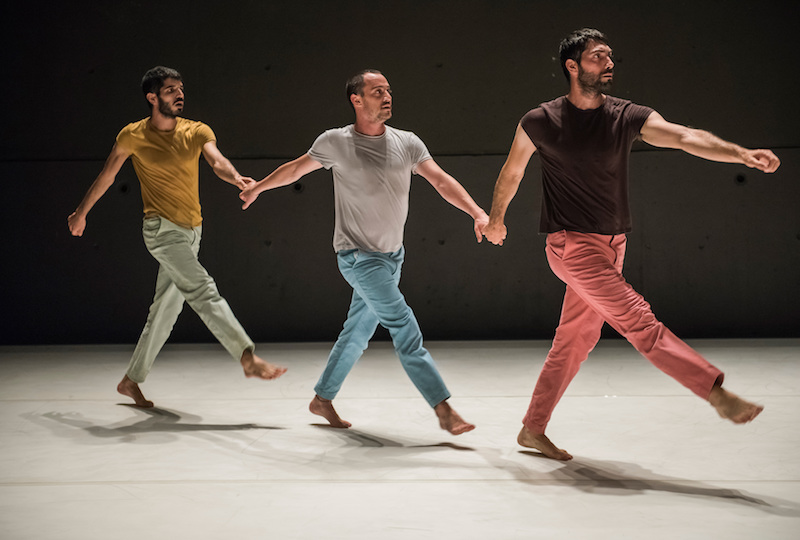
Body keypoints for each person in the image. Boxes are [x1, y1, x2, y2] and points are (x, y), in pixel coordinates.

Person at [484, 29, 779, 460]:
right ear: (572, 66)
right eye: (598, 56)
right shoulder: (540, 120)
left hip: (611, 246)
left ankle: (532, 430)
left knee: (575, 340)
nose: (609, 63)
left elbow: (684, 136)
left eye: (610, 56)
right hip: (572, 247)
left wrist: (740, 153)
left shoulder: (627, 116)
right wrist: (496, 219)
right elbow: (512, 173)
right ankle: (714, 391)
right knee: (638, 320)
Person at [240, 69, 488, 435]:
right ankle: (443, 407)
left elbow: (440, 180)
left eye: (388, 90)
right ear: (356, 100)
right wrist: (258, 188)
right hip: (358, 258)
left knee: (357, 332)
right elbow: (295, 170)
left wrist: (477, 212)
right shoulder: (335, 142)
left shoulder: (407, 143)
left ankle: (322, 398)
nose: (387, 97)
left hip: (392, 258)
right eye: (376, 92)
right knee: (404, 325)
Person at [68, 66, 286, 408]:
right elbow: (107, 176)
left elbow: (217, 162)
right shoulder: (132, 136)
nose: (179, 94)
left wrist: (237, 178)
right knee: (202, 289)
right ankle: (246, 356)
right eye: (170, 90)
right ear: (152, 97)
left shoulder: (196, 131)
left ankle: (131, 380)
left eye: (180, 89)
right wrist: (81, 212)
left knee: (165, 311)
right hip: (161, 230)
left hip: (191, 232)